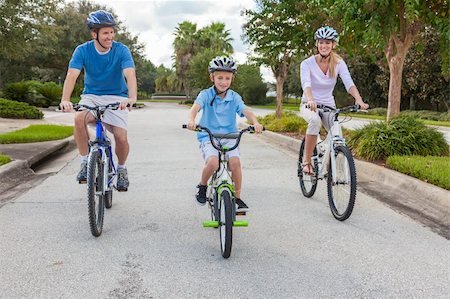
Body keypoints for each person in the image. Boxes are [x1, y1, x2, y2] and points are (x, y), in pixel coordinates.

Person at [60, 10, 137, 191]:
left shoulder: (122, 50)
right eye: (105, 33)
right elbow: (72, 75)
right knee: (79, 119)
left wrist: (131, 97)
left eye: (112, 32)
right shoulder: (82, 50)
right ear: (94, 34)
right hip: (91, 96)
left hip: (117, 97)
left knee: (120, 137)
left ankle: (121, 169)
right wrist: (65, 99)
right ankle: (85, 162)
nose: (110, 36)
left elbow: (130, 74)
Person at [187, 56, 264, 212]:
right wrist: (191, 120)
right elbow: (195, 108)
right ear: (212, 77)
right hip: (208, 136)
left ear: (232, 79)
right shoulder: (206, 94)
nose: (223, 81)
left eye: (227, 78)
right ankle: (202, 186)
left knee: (235, 163)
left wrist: (255, 122)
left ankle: (237, 198)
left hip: (230, 137)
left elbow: (246, 110)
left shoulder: (234, 97)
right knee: (213, 163)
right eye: (220, 77)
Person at [299, 26, 369, 175]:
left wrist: (359, 100)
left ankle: (333, 170)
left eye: (327, 43)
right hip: (309, 104)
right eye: (321, 42)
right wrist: (310, 99)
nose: (324, 46)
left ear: (333, 45)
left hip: (329, 105)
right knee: (315, 122)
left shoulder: (338, 63)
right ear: (317, 44)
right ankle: (306, 161)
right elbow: (306, 84)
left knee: (337, 134)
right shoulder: (307, 64)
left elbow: (348, 83)